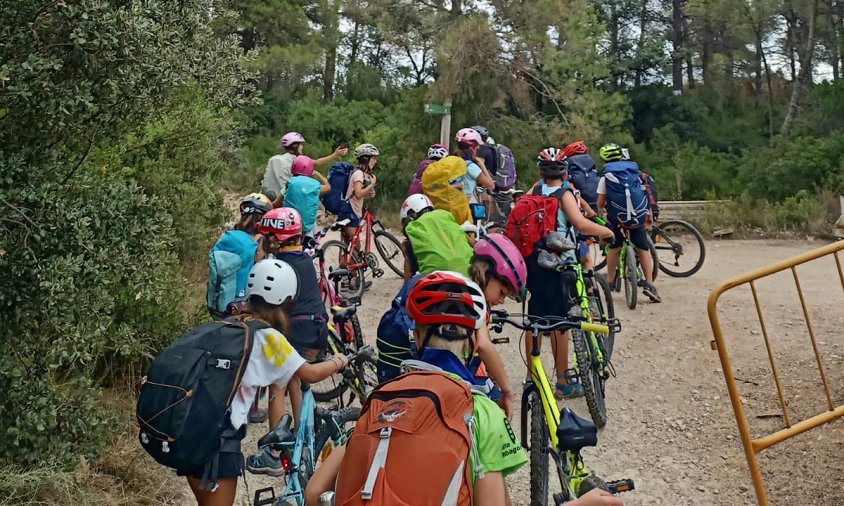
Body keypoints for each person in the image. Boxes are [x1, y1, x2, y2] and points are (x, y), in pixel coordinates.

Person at [305, 271, 527, 506]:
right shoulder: (481, 411)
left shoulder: (381, 401)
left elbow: (314, 492)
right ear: (471, 345)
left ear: (417, 339)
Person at [182, 258, 349, 506]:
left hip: (187, 430)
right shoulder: (266, 336)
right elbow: (310, 374)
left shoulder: (229, 324)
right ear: (284, 302)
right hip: (216, 440)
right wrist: (339, 361)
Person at [244, 207, 331, 477]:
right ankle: (303, 434)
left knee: (277, 383)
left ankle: (274, 453)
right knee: (295, 379)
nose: (264, 240)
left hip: (299, 331)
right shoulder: (303, 259)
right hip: (317, 329)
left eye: (267, 236)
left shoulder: (278, 267)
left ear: (277, 238)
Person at [526, 148, 614, 400]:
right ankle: (563, 381)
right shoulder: (563, 194)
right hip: (559, 265)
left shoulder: (534, 191)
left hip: (534, 262)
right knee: (560, 324)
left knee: (534, 321)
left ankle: (531, 379)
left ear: (541, 171)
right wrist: (606, 232)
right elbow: (579, 223)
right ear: (564, 171)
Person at [596, 143, 661, 303]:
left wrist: (601, 214)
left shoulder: (606, 175)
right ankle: (650, 284)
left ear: (604, 159)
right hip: (637, 217)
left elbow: (600, 202)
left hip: (616, 217)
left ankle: (610, 281)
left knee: (614, 247)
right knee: (643, 248)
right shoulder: (634, 171)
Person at [261, 131, 347, 204]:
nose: (302, 147)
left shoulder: (274, 159)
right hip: (288, 201)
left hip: (268, 199)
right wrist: (335, 154)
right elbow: (318, 162)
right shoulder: (299, 161)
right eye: (301, 144)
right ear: (296, 146)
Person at [283, 155, 330, 242]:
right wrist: (318, 174)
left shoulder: (290, 182)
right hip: (306, 226)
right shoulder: (315, 185)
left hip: (288, 224)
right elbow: (328, 187)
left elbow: (279, 200)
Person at [343, 143, 379, 241]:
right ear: (366, 159)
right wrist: (372, 185)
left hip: (352, 211)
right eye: (373, 158)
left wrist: (370, 193)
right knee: (355, 246)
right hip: (350, 212)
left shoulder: (364, 174)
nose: (375, 161)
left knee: (348, 246)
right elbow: (358, 194)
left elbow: (357, 193)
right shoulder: (358, 174)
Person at [454, 128, 494, 205]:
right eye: (477, 146)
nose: (478, 148)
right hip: (466, 206)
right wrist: (481, 164)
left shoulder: (450, 160)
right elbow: (490, 185)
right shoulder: (470, 166)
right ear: (472, 148)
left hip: (451, 202)